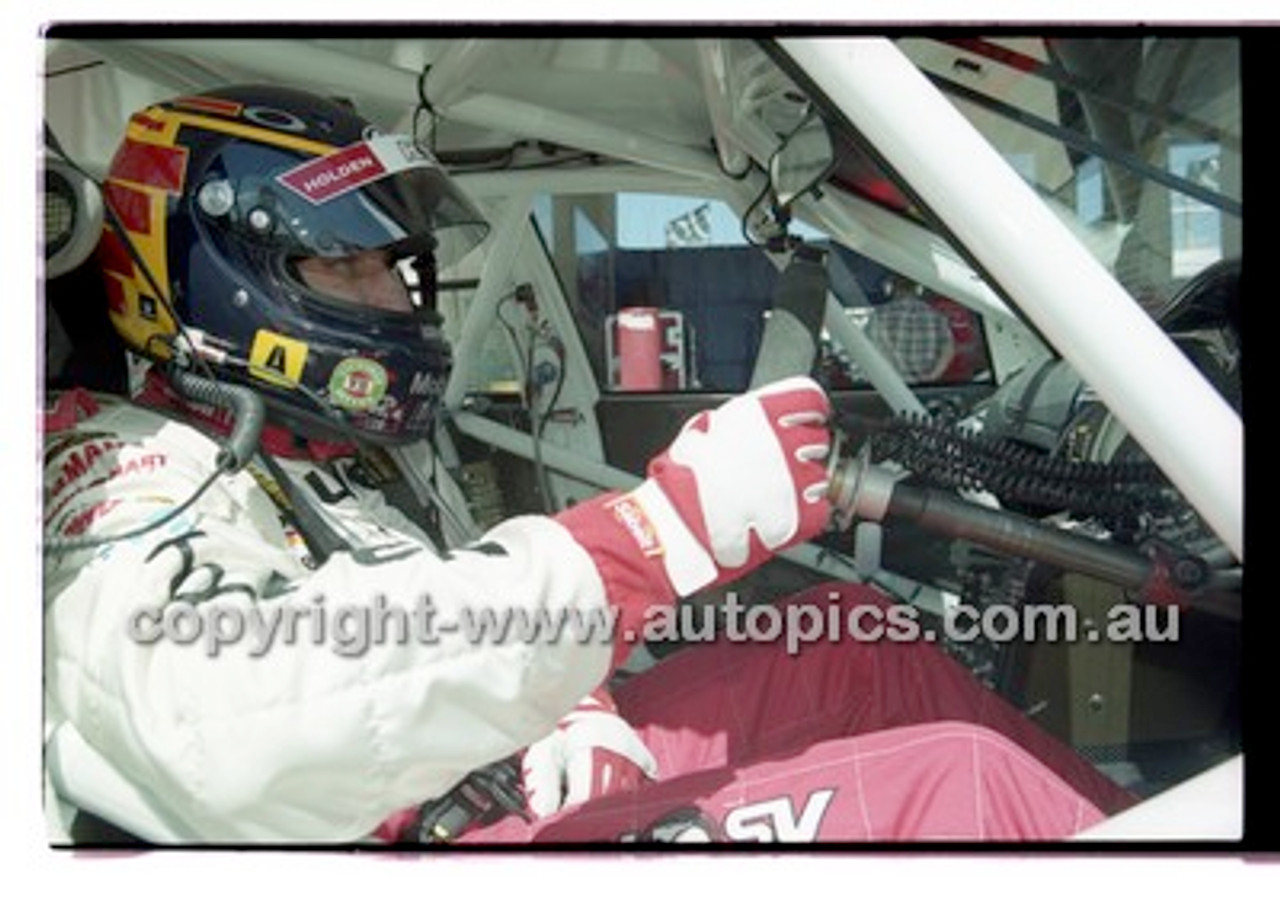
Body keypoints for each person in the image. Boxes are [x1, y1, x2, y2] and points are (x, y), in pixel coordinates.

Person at [43, 84, 1132, 846]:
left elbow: (432, 621)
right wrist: (647, 539)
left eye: (389, 266)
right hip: (409, 842)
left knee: (853, 635)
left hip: (478, 779)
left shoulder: (320, 450)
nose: (389, 300)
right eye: (344, 262)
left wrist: (568, 702)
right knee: (960, 787)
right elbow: (229, 727)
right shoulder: (119, 474)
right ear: (220, 272)